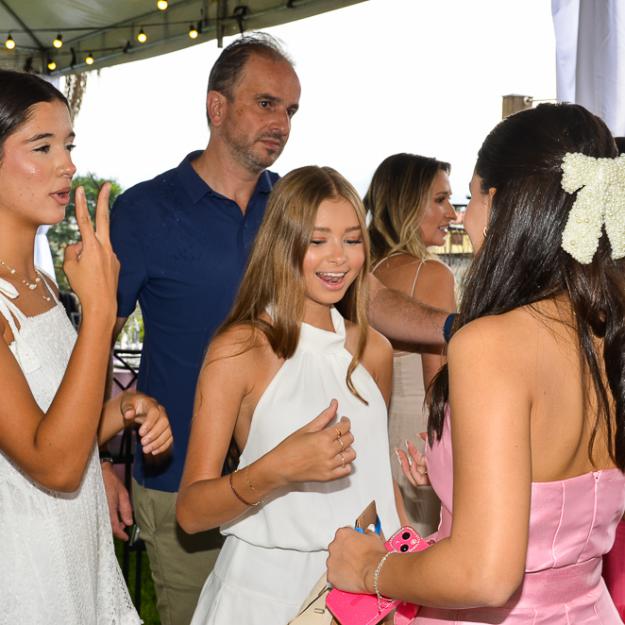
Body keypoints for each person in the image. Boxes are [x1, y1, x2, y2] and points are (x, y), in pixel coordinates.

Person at [107, 32, 450, 625]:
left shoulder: (293, 209)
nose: (282, 122)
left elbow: (377, 482)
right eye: (267, 103)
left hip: (354, 579)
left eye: (291, 109)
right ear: (217, 106)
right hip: (183, 478)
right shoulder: (147, 213)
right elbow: (99, 340)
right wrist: (99, 461)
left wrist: (459, 327)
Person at [327, 102, 625, 623]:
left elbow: (486, 574)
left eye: (472, 196)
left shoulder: (492, 343)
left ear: (500, 202)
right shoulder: (608, 330)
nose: (464, 217)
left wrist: (370, 567)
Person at [176, 165, 402, 624]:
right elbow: (191, 511)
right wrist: (276, 469)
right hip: (262, 595)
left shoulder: (373, 350)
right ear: (283, 243)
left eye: (352, 240)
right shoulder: (240, 350)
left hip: (362, 593)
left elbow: (379, 486)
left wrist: (405, 563)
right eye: (317, 240)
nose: (338, 258)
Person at [0, 69, 172, 625]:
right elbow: (54, 465)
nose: (67, 165)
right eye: (42, 146)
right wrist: (100, 311)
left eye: (69, 146)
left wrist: (123, 410)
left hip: (77, 552)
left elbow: (64, 433)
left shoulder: (43, 287)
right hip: (25, 569)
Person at [367, 153, 457, 535]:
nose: (452, 213)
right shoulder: (431, 275)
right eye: (440, 199)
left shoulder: (365, 273)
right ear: (407, 205)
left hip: (375, 441)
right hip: (421, 443)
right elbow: (440, 388)